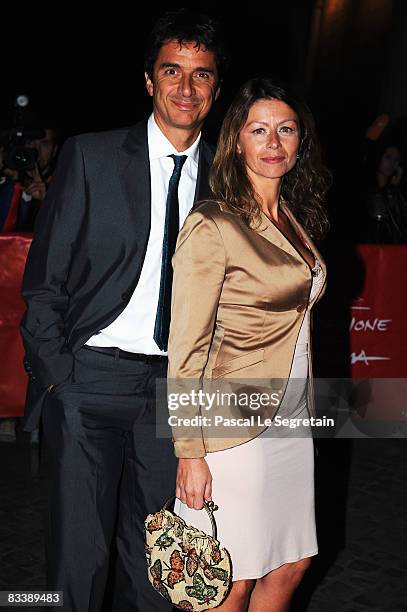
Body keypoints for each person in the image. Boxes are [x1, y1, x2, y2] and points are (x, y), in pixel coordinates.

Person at [20, 9, 226, 611]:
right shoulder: (91, 157)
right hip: (89, 379)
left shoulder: (228, 178)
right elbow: (44, 282)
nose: (186, 88)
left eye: (201, 75)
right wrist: (61, 377)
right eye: (172, 71)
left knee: (157, 564)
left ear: (215, 87)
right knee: (79, 562)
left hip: (175, 390)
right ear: (148, 81)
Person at [168, 77, 331, 611]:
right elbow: (186, 349)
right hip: (232, 424)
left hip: (292, 417)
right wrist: (189, 451)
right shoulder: (213, 223)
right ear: (237, 139)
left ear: (300, 141)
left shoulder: (293, 220)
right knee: (230, 575)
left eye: (286, 130)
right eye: (259, 130)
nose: (273, 142)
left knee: (291, 562)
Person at [0, 127, 58, 232]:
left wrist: (46, 201)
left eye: (44, 143)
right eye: (30, 142)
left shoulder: (64, 185)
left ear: (54, 150)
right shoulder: (5, 178)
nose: (36, 150)